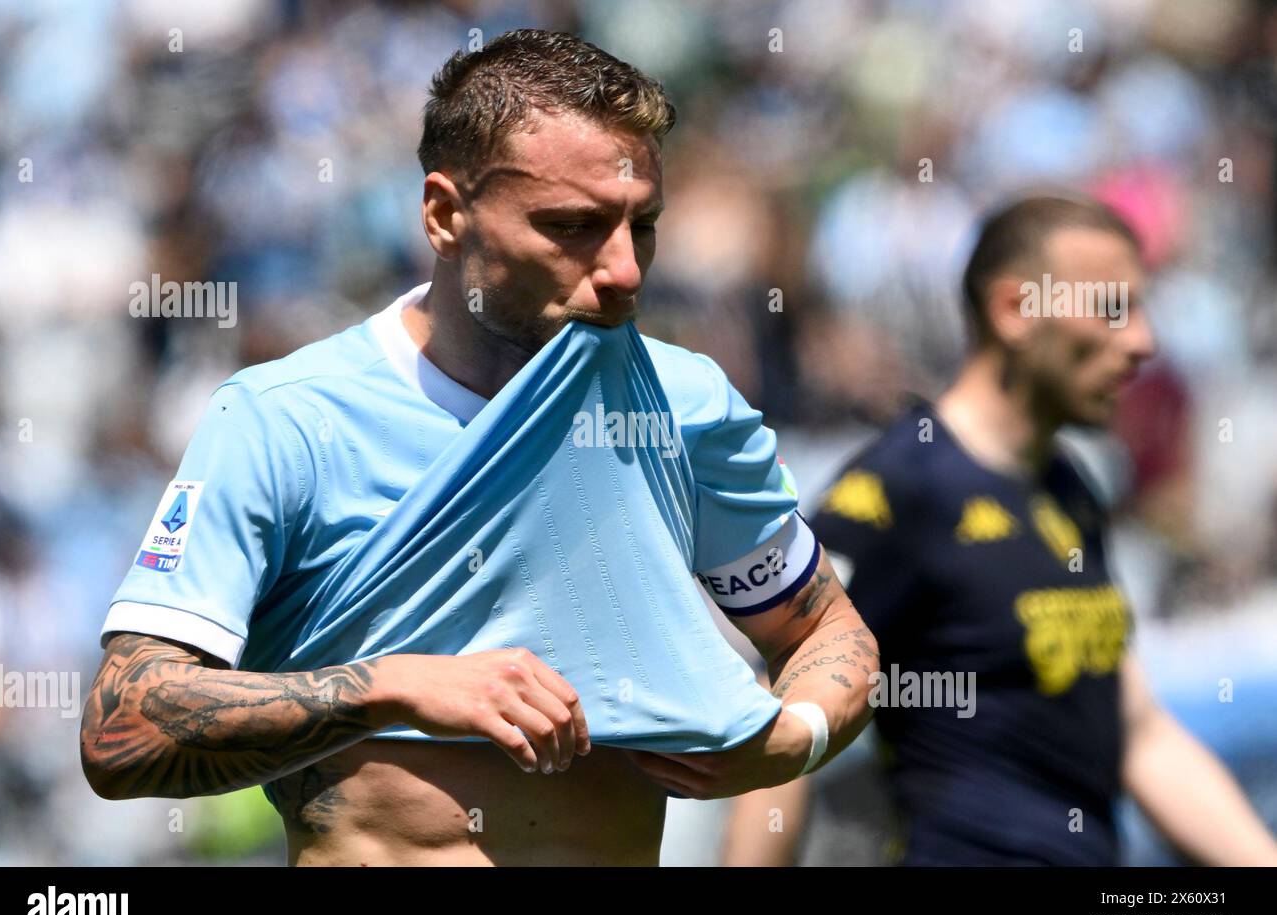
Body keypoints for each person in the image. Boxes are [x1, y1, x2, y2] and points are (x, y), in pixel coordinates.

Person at [80, 29, 878, 866]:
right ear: (445, 214)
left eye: (641, 227)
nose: (624, 273)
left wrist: (799, 733)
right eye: (572, 226)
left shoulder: (682, 406)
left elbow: (825, 629)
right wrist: (398, 684)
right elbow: (121, 728)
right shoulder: (285, 419)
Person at [725, 194, 1277, 866]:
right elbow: (781, 708)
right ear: (1016, 310)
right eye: (1112, 308)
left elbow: (1138, 733)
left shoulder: (1069, 487)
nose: (1143, 341)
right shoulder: (902, 487)